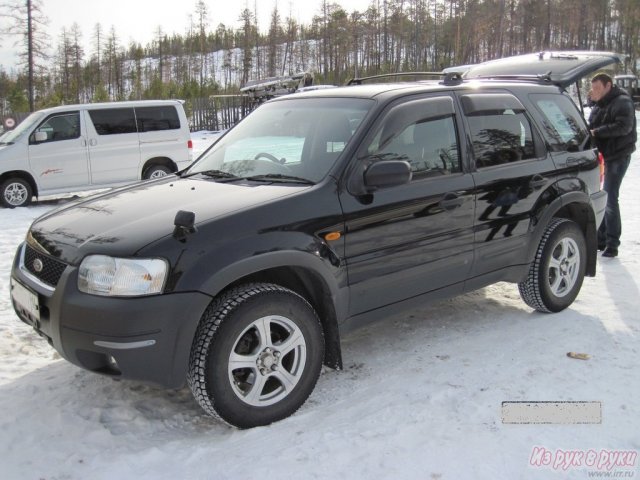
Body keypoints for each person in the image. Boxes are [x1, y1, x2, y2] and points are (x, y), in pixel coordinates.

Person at [588, 72, 637, 258]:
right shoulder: (602, 103)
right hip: (604, 156)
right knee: (601, 196)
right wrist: (592, 102)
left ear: (609, 86)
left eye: (598, 88)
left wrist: (597, 132)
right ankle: (600, 238)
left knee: (609, 197)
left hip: (618, 156)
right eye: (593, 89)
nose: (595, 92)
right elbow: (593, 121)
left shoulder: (622, 102)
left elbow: (623, 127)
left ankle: (612, 243)